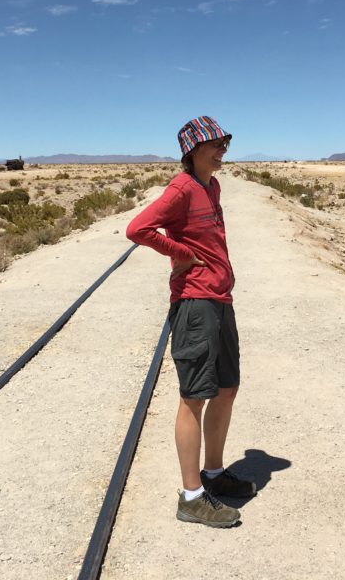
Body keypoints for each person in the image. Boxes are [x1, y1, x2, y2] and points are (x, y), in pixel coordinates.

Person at [126, 116, 255, 528]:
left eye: (225, 143)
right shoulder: (181, 187)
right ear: (192, 150)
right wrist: (177, 251)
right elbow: (138, 228)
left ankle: (213, 473)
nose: (222, 150)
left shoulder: (212, 185)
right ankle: (191, 497)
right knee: (194, 397)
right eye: (215, 144)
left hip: (220, 298)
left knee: (227, 389)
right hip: (195, 303)